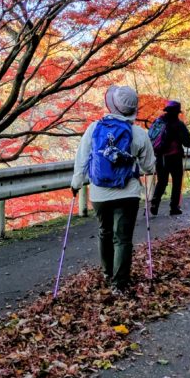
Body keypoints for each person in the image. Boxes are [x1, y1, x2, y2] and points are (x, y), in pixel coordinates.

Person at [72, 86, 156, 295]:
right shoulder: (138, 133)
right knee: (123, 238)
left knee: (104, 232)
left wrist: (76, 183)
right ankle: (119, 284)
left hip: (100, 193)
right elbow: (150, 167)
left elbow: (82, 160)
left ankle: (107, 273)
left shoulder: (94, 128)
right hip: (128, 193)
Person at [148, 100, 190, 217]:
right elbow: (188, 143)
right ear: (177, 112)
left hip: (160, 157)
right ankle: (174, 207)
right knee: (177, 182)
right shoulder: (179, 125)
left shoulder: (158, 122)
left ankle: (155, 202)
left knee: (162, 181)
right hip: (175, 157)